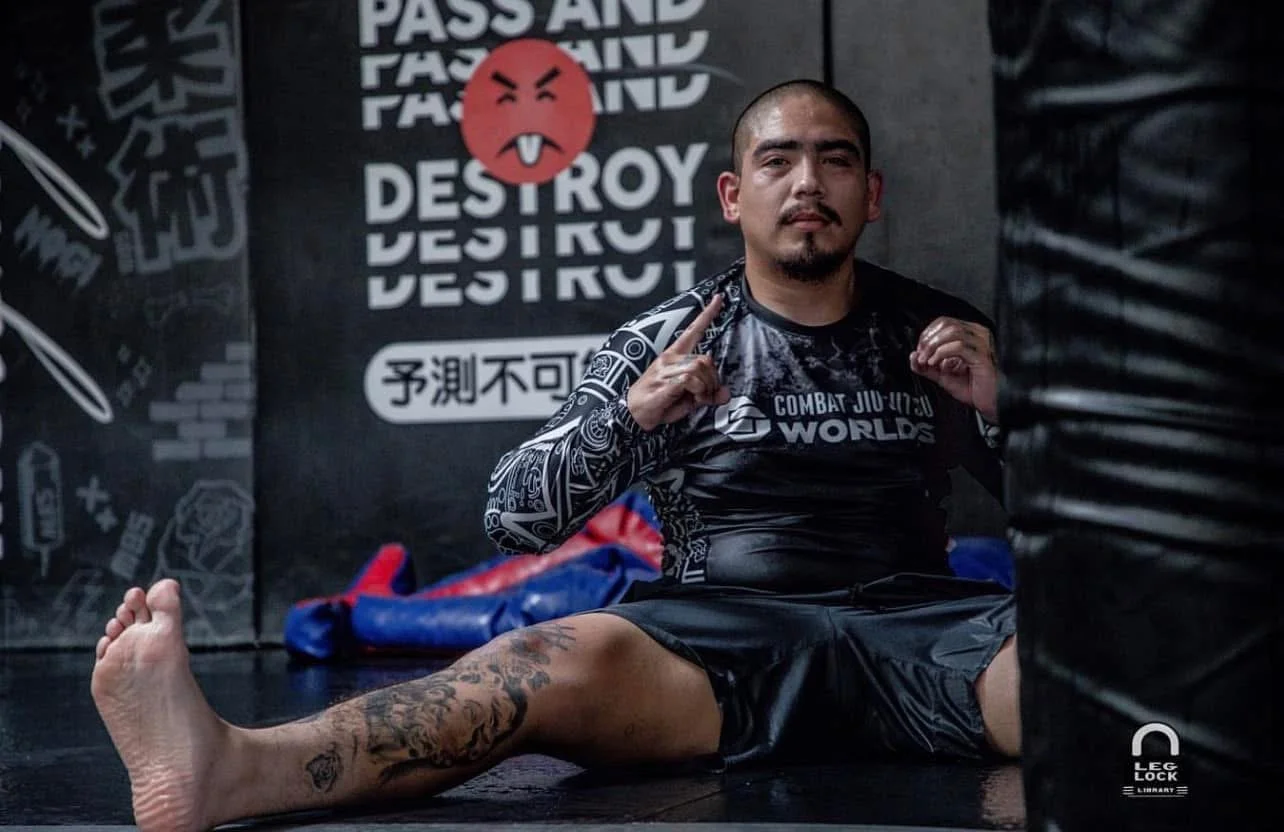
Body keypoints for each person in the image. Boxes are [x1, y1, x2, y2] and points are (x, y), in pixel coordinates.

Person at [90, 79, 1020, 832]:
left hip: (925, 630)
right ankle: (227, 767)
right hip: (714, 642)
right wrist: (633, 418)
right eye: (778, 160)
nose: (807, 182)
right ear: (735, 197)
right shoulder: (666, 340)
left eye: (835, 160)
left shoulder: (941, 333)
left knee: (1096, 662)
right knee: (526, 665)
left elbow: (1067, 519)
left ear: (872, 193)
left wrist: (1002, 408)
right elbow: (514, 516)